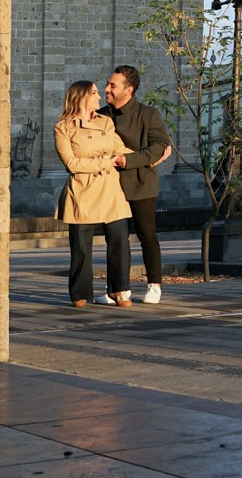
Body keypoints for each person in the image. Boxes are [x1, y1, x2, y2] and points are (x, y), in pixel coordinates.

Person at [54, 80, 133, 308]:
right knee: (81, 246)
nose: (100, 97)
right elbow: (71, 163)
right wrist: (103, 161)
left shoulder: (106, 122)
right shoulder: (63, 127)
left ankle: (120, 291)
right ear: (81, 97)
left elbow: (120, 150)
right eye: (95, 93)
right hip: (82, 190)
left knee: (119, 240)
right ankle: (80, 293)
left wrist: (150, 157)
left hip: (110, 189)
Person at [103, 65, 170, 304]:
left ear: (128, 90)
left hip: (141, 183)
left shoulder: (148, 114)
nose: (107, 88)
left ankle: (154, 285)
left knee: (147, 235)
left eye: (113, 85)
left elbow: (160, 145)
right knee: (115, 238)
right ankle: (118, 289)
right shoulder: (102, 115)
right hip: (110, 186)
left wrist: (127, 160)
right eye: (108, 84)